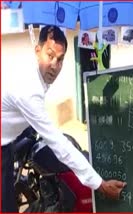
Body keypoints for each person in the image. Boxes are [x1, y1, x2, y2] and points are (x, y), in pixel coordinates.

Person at [1, 26, 126, 212]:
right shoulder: (28, 88)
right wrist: (100, 184)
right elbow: (59, 144)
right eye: (49, 55)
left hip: (9, 138)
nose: (54, 65)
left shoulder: (38, 76)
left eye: (60, 59)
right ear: (38, 51)